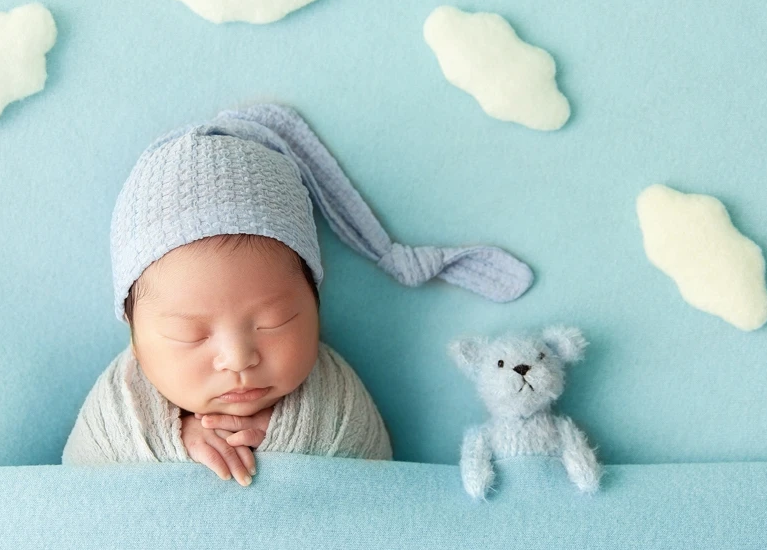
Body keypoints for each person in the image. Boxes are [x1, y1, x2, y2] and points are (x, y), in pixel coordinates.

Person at [61, 102, 534, 483]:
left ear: (315, 305)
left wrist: (294, 444)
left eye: (273, 322)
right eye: (190, 335)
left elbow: (376, 482)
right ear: (135, 338)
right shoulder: (123, 402)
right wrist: (170, 442)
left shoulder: (334, 397)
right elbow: (81, 486)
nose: (239, 358)